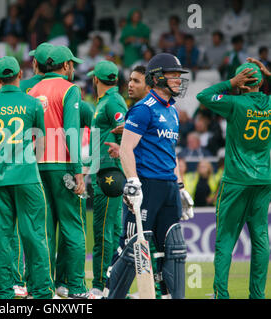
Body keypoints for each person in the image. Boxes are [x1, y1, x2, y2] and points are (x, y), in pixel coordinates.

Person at [107, 53, 194, 299]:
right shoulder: (143, 110)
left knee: (174, 249)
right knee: (135, 247)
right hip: (148, 186)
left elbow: (171, 153)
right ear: (156, 78)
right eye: (173, 75)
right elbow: (126, 149)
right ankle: (112, 296)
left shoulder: (173, 111)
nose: (178, 80)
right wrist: (133, 182)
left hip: (168, 187)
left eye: (179, 76)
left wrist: (179, 187)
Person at [0, 56, 54, 299]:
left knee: (3, 237)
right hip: (27, 177)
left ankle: (5, 292)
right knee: (34, 235)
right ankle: (40, 292)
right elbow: (41, 144)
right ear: (20, 74)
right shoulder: (32, 104)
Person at [196, 61, 271, 299]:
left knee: (226, 240)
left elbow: (203, 95)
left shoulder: (234, 103)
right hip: (263, 180)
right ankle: (257, 296)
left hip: (236, 181)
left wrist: (230, 83)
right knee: (260, 239)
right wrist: (268, 75)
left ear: (241, 84)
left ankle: (222, 295)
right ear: (260, 83)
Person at [28, 45, 90, 299]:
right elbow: (72, 131)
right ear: (65, 66)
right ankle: (75, 287)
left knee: (42, 230)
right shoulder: (69, 90)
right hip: (63, 166)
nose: (74, 68)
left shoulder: (31, 91)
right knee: (72, 227)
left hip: (34, 168)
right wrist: (78, 171)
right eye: (72, 64)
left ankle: (42, 288)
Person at [86, 60, 128, 298]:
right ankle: (114, 284)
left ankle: (101, 284)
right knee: (112, 230)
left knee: (104, 230)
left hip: (110, 172)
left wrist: (117, 151)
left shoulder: (112, 101)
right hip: (105, 170)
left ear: (96, 80)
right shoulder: (106, 101)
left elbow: (125, 126)